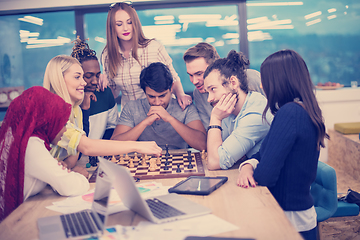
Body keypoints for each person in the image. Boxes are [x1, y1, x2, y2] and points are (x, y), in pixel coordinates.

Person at [237, 49, 328, 240]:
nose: (262, 85)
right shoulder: (301, 109)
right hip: (296, 213)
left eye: (266, 79)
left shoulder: (290, 113)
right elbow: (263, 154)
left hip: (289, 219)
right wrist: (247, 165)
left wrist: (254, 170)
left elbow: (265, 176)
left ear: (279, 81)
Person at [43, 55, 162, 170]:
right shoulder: (51, 112)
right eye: (77, 77)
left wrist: (67, 166)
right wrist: (138, 146)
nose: (84, 83)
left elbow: (75, 150)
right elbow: (86, 146)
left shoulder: (76, 110)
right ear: (59, 79)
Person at [0, 86, 90, 222]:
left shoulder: (22, 140)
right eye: (62, 122)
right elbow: (71, 187)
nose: (65, 130)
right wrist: (79, 176)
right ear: (46, 119)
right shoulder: (31, 145)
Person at [101, 2, 192, 110]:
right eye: (119, 24)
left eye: (129, 22)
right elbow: (114, 92)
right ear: (112, 27)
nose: (125, 28)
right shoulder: (107, 55)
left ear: (135, 23)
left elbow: (173, 76)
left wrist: (181, 94)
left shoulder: (154, 47)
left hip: (161, 110)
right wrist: (102, 84)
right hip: (132, 115)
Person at [111, 62, 206, 151]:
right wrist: (145, 123)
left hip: (180, 164)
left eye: (162, 96)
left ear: (171, 87)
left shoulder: (185, 106)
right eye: (151, 96)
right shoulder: (131, 108)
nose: (157, 102)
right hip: (144, 163)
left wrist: (170, 119)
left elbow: (203, 144)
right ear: (144, 91)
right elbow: (114, 145)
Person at [203, 50, 273, 170]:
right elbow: (218, 151)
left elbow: (215, 162)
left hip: (269, 186)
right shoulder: (229, 110)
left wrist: (215, 118)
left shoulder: (256, 113)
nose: (209, 99)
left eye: (213, 89)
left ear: (233, 83)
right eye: (207, 92)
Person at [183, 42, 265, 129]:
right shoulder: (198, 93)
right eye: (190, 75)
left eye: (199, 74)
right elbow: (210, 131)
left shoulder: (252, 78)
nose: (194, 81)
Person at [71, 37, 118, 140]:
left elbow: (112, 126)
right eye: (88, 76)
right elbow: (76, 140)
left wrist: (100, 150)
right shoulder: (68, 99)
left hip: (99, 153)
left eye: (98, 75)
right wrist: (84, 109)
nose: (95, 81)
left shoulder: (105, 93)